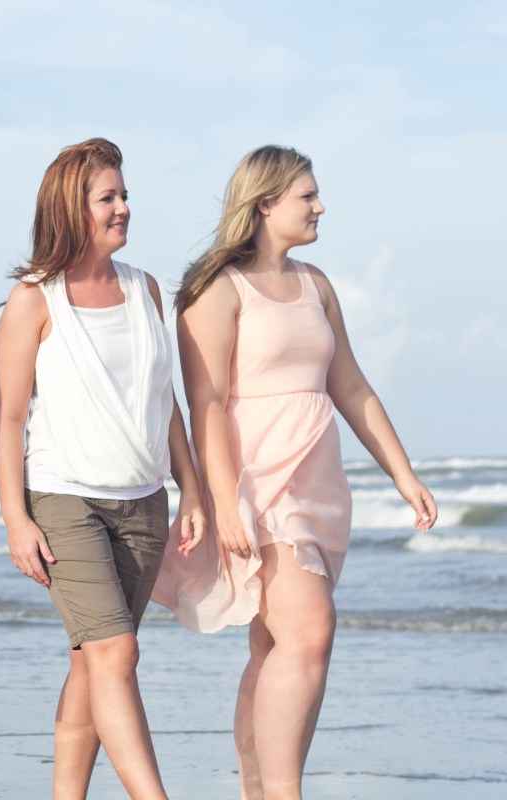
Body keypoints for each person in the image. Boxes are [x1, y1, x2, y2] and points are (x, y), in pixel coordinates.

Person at [151, 145, 438, 800]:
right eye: (307, 196)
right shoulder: (217, 289)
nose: (320, 206)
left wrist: (402, 473)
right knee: (310, 634)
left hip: (319, 485)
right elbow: (206, 403)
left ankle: (258, 793)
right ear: (264, 204)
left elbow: (351, 385)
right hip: (258, 485)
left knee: (273, 645)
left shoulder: (317, 285)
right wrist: (224, 498)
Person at [0, 138, 205, 800]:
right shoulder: (33, 301)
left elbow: (166, 402)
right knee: (116, 653)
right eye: (107, 198)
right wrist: (16, 520)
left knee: (93, 662)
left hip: (144, 502)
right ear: (70, 208)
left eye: (124, 195)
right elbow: (8, 420)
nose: (123, 208)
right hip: (64, 500)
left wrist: (193, 491)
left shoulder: (146, 290)